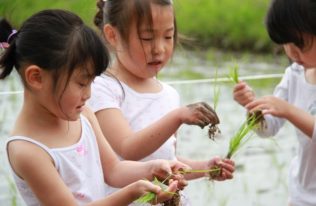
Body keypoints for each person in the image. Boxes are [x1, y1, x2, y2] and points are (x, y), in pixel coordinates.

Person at [1, 9, 189, 206]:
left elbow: (114, 170)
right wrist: (132, 193)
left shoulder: (85, 116)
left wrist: (152, 169)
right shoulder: (28, 150)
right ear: (36, 78)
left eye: (92, 82)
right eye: (82, 83)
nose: (88, 94)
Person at [90, 0, 235, 204]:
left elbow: (168, 160)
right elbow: (127, 148)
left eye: (168, 36)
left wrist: (205, 167)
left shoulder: (169, 94)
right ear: (113, 35)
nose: (159, 48)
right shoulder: (102, 88)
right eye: (147, 38)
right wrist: (178, 117)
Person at [233, 0, 316, 205]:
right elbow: (268, 129)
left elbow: (285, 111)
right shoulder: (294, 75)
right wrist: (254, 107)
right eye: (286, 43)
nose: (292, 53)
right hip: (300, 197)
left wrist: (288, 111)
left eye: (299, 44)